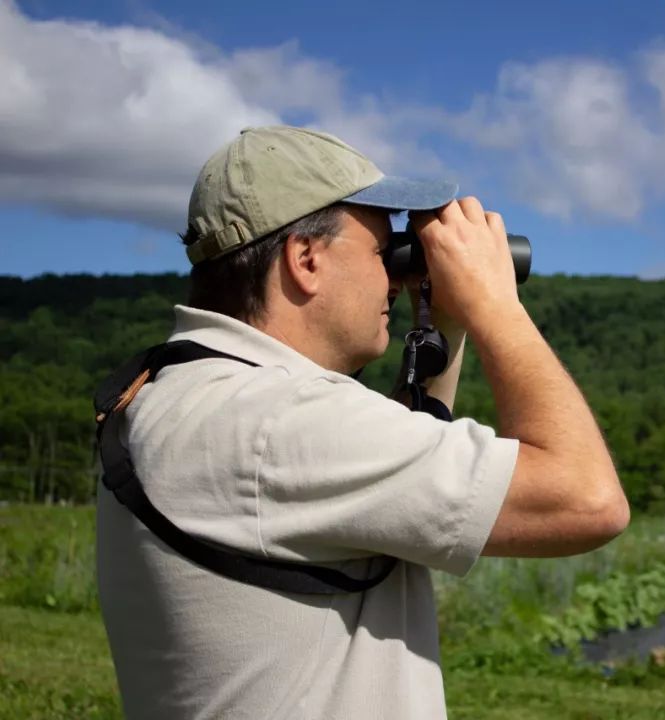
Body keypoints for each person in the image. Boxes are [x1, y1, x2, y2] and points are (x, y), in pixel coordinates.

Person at [94, 125, 630, 720]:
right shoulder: (282, 421)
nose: (393, 279)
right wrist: (493, 304)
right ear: (306, 259)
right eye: (381, 251)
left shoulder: (179, 395)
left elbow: (387, 497)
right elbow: (588, 501)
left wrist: (444, 325)